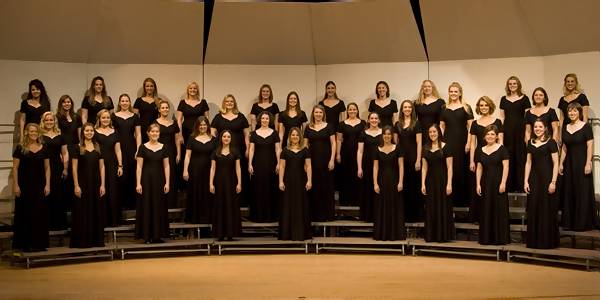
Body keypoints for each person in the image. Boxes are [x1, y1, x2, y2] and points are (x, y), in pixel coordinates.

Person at [12, 123, 50, 251]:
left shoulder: (43, 148)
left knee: (39, 213)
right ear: (27, 132)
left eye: (36, 132)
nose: (34, 133)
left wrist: (48, 184)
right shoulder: (20, 148)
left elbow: (47, 168)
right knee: (25, 213)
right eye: (31, 131)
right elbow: (15, 168)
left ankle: (39, 244)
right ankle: (25, 244)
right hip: (24, 185)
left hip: (39, 185)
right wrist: (16, 185)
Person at [559, 103, 596, 231]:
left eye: (574, 111)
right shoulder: (566, 127)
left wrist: (588, 162)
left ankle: (582, 223)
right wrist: (560, 163)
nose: (572, 113)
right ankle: (570, 223)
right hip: (569, 163)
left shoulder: (586, 127)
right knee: (570, 191)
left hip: (582, 163)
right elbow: (564, 147)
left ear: (579, 112)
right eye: (569, 111)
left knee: (582, 191)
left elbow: (590, 146)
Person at [524, 119, 559, 249]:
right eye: (535, 127)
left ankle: (548, 242)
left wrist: (553, 182)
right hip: (534, 179)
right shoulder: (530, 143)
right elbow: (528, 163)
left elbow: (556, 163)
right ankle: (534, 242)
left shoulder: (551, 143)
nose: (537, 129)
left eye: (540, 127)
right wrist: (525, 180)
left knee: (546, 209)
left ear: (545, 128)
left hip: (547, 179)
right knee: (534, 208)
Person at [211, 94, 250, 206]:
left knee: (238, 172)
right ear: (224, 103)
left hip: (239, 149)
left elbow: (247, 134)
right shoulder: (218, 117)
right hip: (223, 150)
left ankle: (240, 200)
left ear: (234, 103)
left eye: (231, 101)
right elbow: (213, 133)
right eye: (227, 101)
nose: (229, 103)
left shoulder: (241, 116)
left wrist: (247, 148)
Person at [71, 123, 105, 248]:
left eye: (91, 130)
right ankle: (82, 241)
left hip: (95, 183)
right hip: (82, 183)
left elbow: (102, 167)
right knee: (82, 211)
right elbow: (74, 168)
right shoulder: (77, 147)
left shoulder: (97, 147)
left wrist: (103, 185)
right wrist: (76, 185)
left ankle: (95, 240)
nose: (89, 132)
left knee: (95, 210)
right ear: (83, 132)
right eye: (87, 131)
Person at [469, 96, 503, 222]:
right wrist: (472, 160)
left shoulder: (497, 121)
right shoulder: (474, 123)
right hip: (479, 156)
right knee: (479, 186)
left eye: (486, 105)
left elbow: (501, 141)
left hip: (494, 157)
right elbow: (472, 144)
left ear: (490, 106)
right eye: (481, 105)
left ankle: (492, 215)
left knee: (492, 185)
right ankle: (479, 216)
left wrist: (500, 157)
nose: (483, 107)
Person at [440, 82, 473, 208]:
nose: (453, 93)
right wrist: (441, 143)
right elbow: (441, 127)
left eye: (455, 91)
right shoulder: (444, 107)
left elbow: (471, 127)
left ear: (459, 92)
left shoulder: (466, 107)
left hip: (462, 141)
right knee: (449, 168)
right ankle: (450, 199)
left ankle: (462, 200)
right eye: (451, 91)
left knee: (461, 169)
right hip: (448, 141)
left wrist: (468, 142)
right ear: (449, 93)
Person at [136, 123, 170, 243]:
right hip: (146, 180)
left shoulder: (164, 147)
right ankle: (147, 235)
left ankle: (157, 235)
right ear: (148, 133)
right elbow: (139, 167)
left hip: (160, 180)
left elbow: (166, 166)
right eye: (153, 131)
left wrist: (167, 182)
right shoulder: (143, 147)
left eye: (157, 131)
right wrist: (138, 183)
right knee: (147, 206)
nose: (155, 133)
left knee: (158, 205)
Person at [475, 125, 510, 245]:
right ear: (484, 136)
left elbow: (506, 167)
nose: (490, 136)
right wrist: (478, 184)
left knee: (498, 209)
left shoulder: (502, 149)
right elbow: (479, 168)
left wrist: (503, 182)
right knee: (486, 209)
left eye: (492, 134)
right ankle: (486, 238)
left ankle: (499, 239)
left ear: (496, 136)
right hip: (485, 183)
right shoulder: (480, 149)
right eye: (488, 134)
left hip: (498, 182)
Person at [421, 124, 453, 242]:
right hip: (430, 180)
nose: (432, 134)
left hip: (443, 180)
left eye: (434, 132)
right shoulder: (425, 148)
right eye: (430, 132)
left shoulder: (446, 147)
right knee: (431, 207)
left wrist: (449, 183)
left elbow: (450, 167)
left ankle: (443, 235)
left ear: (438, 132)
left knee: (442, 206)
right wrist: (423, 183)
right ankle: (431, 235)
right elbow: (424, 168)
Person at [278, 127, 312, 241]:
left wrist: (309, 180)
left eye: (297, 135)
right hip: (288, 181)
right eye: (292, 135)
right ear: (289, 137)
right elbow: (282, 166)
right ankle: (287, 234)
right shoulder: (285, 150)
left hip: (301, 180)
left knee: (300, 205)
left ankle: (301, 233)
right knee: (288, 205)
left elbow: (308, 166)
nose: (295, 137)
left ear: (300, 137)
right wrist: (281, 181)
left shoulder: (305, 150)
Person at [373, 126, 405, 241]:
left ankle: (394, 234)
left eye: (389, 134)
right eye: (385, 134)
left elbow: (401, 166)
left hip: (394, 180)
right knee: (382, 206)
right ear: (382, 135)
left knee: (394, 205)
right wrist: (375, 183)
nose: (387, 136)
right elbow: (375, 167)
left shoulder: (398, 148)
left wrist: (401, 181)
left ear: (392, 136)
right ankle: (382, 234)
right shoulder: (377, 149)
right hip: (381, 181)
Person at [304, 105, 336, 222]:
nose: (318, 114)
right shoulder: (308, 127)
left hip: (326, 160)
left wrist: (332, 159)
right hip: (312, 161)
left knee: (326, 187)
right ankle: (314, 215)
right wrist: (305, 162)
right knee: (314, 187)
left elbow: (333, 144)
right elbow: (305, 145)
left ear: (323, 114)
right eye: (316, 112)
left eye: (320, 112)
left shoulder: (329, 126)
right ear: (313, 114)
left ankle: (327, 215)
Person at [248, 111, 281, 222]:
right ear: (259, 120)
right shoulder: (254, 133)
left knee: (271, 188)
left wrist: (278, 163)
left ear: (269, 120)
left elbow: (277, 149)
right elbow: (251, 149)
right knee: (258, 188)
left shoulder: (274, 133)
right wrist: (250, 164)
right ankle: (258, 216)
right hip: (257, 164)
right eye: (263, 118)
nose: (265, 120)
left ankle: (271, 216)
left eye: (267, 118)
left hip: (271, 164)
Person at [499, 76, 530, 193]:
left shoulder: (525, 98)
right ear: (508, 85)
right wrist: (500, 133)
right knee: (509, 157)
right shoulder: (503, 99)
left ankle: (521, 185)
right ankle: (509, 185)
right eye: (510, 84)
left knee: (521, 157)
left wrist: (527, 135)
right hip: (507, 131)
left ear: (518, 85)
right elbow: (502, 117)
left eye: (514, 83)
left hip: (520, 130)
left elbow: (528, 118)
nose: (512, 85)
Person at [209, 130, 242, 241]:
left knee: (230, 205)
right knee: (220, 206)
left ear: (231, 139)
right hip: (219, 182)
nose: (226, 138)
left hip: (231, 182)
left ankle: (230, 233)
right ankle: (220, 233)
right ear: (221, 138)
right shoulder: (216, 152)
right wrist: (211, 183)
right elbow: (213, 168)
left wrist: (239, 183)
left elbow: (238, 168)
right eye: (224, 136)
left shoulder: (235, 151)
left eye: (228, 136)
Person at [183, 116, 216, 224]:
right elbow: (187, 155)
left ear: (208, 126)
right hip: (194, 169)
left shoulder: (213, 139)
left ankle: (208, 218)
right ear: (197, 126)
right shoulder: (192, 138)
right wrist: (185, 170)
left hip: (209, 170)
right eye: (200, 125)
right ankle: (195, 218)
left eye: (204, 124)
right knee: (195, 192)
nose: (202, 127)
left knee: (207, 193)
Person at [394, 100, 422, 222]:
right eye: (405, 107)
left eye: (409, 107)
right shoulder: (397, 124)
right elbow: (395, 142)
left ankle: (414, 215)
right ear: (402, 109)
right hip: (400, 158)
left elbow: (419, 142)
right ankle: (402, 215)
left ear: (412, 109)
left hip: (412, 157)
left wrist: (418, 160)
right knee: (402, 185)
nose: (407, 109)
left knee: (413, 186)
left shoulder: (416, 123)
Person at [40, 112, 69, 230]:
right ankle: (45, 223)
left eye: (51, 120)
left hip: (57, 167)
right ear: (43, 121)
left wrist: (66, 168)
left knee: (57, 194)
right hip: (42, 168)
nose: (49, 122)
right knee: (45, 194)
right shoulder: (39, 136)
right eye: (47, 120)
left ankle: (58, 224)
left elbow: (65, 153)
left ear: (54, 121)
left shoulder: (60, 136)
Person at [112, 94, 141, 209]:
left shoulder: (135, 117)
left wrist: (138, 149)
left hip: (131, 147)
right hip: (118, 148)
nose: (124, 103)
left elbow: (138, 134)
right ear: (119, 103)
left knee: (131, 174)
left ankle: (131, 204)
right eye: (122, 101)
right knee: (120, 175)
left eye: (126, 101)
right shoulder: (113, 116)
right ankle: (121, 203)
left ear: (130, 103)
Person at [95, 109, 123, 226]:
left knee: (112, 190)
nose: (105, 120)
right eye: (103, 118)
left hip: (112, 164)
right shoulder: (94, 132)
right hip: (98, 164)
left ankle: (114, 220)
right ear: (99, 119)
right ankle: (101, 219)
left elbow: (118, 150)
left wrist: (120, 165)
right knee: (101, 190)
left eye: (107, 117)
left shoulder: (115, 132)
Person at [56, 95, 81, 217]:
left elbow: (79, 134)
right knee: (65, 176)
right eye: (64, 102)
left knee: (75, 175)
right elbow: (58, 135)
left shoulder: (76, 117)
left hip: (75, 148)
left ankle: (74, 206)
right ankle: (65, 208)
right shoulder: (57, 118)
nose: (67, 104)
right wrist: (60, 152)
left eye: (69, 102)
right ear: (61, 104)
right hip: (64, 148)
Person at [336, 103, 365, 206]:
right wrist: (338, 154)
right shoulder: (342, 124)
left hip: (359, 154)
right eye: (350, 109)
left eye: (354, 109)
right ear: (347, 111)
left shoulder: (363, 123)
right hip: (345, 153)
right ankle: (345, 202)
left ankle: (357, 202)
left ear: (357, 110)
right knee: (345, 177)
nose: (352, 111)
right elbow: (339, 140)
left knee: (358, 177)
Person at [156, 100, 181, 208]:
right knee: (160, 176)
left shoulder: (174, 123)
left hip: (171, 152)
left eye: (167, 107)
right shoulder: (154, 123)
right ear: (159, 109)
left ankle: (171, 205)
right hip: (158, 152)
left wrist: (178, 153)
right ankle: (159, 203)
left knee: (171, 177)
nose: (165, 109)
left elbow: (177, 140)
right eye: (163, 108)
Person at [357, 112, 382, 222]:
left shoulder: (384, 133)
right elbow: (360, 151)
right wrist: (359, 167)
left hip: (381, 164)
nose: (374, 120)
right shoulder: (363, 133)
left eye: (376, 118)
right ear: (368, 120)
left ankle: (379, 215)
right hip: (367, 164)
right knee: (367, 189)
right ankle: (367, 216)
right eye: (372, 118)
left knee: (379, 189)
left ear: (379, 120)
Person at [558, 73, 590, 141]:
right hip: (565, 131)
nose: (570, 83)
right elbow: (561, 119)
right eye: (568, 81)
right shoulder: (562, 99)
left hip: (579, 131)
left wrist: (584, 133)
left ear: (576, 83)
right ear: (565, 83)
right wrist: (560, 135)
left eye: (572, 81)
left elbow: (585, 117)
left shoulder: (582, 97)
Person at [176, 81, 209, 146]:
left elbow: (207, 119)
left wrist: (206, 133)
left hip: (200, 131)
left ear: (197, 90)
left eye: (195, 88)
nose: (192, 90)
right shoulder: (182, 102)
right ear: (188, 90)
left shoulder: (203, 102)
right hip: (186, 131)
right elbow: (179, 120)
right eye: (190, 88)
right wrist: (180, 134)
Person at [133, 78, 160, 143]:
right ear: (144, 88)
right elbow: (135, 118)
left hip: (155, 130)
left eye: (151, 86)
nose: (149, 88)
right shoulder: (139, 100)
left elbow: (161, 117)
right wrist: (135, 131)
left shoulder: (158, 101)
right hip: (142, 130)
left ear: (154, 87)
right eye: (147, 86)